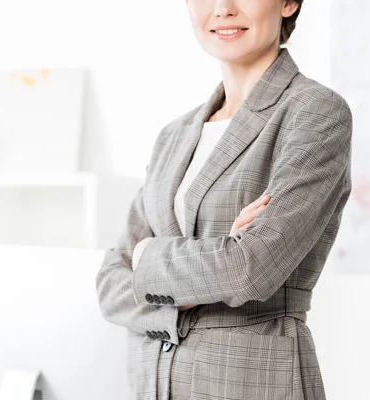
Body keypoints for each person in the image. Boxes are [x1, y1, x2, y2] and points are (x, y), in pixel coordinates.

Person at [95, 0, 353, 398]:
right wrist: (208, 266)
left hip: (252, 382)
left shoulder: (314, 113)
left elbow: (250, 269)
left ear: (289, 3)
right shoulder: (174, 135)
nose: (222, 8)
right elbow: (111, 287)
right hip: (154, 385)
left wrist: (149, 256)